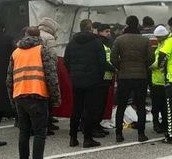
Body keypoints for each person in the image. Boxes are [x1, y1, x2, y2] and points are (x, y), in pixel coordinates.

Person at [7, 27, 60, 159]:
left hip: (20, 95)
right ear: (39, 36)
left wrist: (12, 100)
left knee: (23, 132)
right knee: (40, 133)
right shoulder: (43, 50)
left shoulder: (16, 53)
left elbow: (9, 80)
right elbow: (51, 75)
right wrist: (55, 97)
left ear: (25, 35)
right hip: (38, 94)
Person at [64, 19, 110, 148]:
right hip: (92, 80)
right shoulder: (96, 42)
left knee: (76, 108)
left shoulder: (72, 42)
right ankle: (87, 138)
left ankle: (73, 137)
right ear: (91, 28)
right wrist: (99, 77)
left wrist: (73, 73)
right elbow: (102, 62)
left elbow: (66, 61)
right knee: (90, 109)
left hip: (76, 79)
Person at [111, 16, 153, 143]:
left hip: (124, 76)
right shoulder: (145, 40)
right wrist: (143, 66)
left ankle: (119, 134)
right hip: (140, 77)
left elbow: (113, 58)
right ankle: (141, 134)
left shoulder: (119, 39)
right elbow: (152, 58)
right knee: (140, 106)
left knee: (121, 105)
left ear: (127, 24)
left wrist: (121, 66)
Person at [38, 17, 60, 133]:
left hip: (33, 71)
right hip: (46, 71)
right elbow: (53, 56)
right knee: (48, 97)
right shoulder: (49, 38)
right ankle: (47, 123)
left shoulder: (35, 34)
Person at [93, 24, 115, 136]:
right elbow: (101, 61)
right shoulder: (98, 43)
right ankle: (94, 126)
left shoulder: (107, 43)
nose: (108, 33)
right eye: (106, 31)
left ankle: (97, 124)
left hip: (106, 77)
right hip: (99, 77)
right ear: (100, 32)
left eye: (109, 31)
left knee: (102, 103)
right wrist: (114, 68)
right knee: (97, 103)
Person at [150, 25, 169, 133]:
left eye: (158, 37)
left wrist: (150, 66)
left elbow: (159, 62)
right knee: (158, 105)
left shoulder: (166, 45)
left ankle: (160, 124)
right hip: (157, 80)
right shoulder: (161, 44)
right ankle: (159, 124)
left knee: (161, 106)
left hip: (162, 80)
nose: (157, 39)